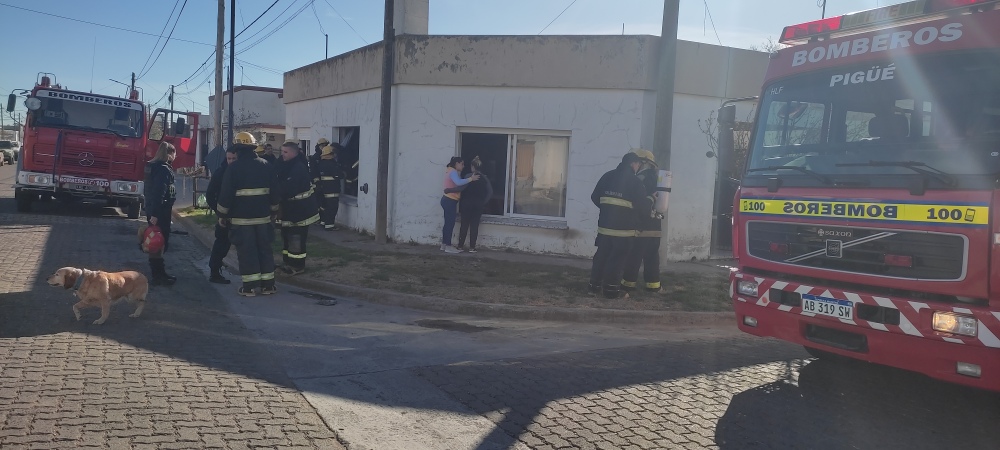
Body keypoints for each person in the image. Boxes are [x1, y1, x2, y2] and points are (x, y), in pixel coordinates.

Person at [217, 132, 281, 296]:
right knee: (264, 250)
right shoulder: (267, 165)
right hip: (263, 218)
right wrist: (274, 211)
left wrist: (222, 216)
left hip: (241, 221)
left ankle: (249, 287)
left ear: (237, 149)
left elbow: (226, 195)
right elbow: (275, 192)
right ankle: (268, 286)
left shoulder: (234, 169)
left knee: (247, 252)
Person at [589, 152, 649, 299]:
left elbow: (594, 197)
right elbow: (643, 208)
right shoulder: (635, 183)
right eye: (638, 164)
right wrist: (651, 200)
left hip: (604, 228)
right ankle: (611, 291)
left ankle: (593, 287)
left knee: (601, 257)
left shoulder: (607, 176)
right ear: (633, 163)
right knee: (617, 260)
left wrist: (608, 210)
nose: (638, 167)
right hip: (624, 231)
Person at [621, 149, 664, 294]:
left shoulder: (639, 179)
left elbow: (637, 201)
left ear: (644, 163)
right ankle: (653, 286)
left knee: (634, 255)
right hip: (655, 225)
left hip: (641, 224)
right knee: (652, 256)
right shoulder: (658, 178)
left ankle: (628, 285)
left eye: (638, 161)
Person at [276, 142, 321, 275]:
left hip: (300, 211)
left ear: (294, 153)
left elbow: (289, 188)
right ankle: (287, 262)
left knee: (296, 238)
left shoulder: (298, 168)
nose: (282, 155)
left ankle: (297, 266)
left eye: (285, 152)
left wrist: (275, 191)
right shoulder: (285, 165)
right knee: (286, 237)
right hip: (289, 210)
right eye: (281, 151)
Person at [143, 142, 179, 286]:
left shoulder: (153, 167)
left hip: (154, 210)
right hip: (160, 212)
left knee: (155, 242)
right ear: (170, 154)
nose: (175, 157)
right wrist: (156, 214)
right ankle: (158, 275)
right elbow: (159, 192)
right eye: (175, 154)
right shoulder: (163, 170)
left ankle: (159, 273)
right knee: (158, 242)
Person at [205, 147, 237, 284]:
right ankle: (214, 272)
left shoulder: (241, 172)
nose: (231, 161)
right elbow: (210, 195)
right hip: (225, 216)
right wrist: (219, 212)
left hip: (239, 215)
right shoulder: (221, 173)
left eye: (234, 159)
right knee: (221, 244)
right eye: (229, 158)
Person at [441, 157, 479, 253]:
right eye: (462, 164)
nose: (463, 166)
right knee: (450, 224)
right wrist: (471, 179)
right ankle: (448, 246)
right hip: (450, 200)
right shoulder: (453, 171)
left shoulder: (449, 170)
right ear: (456, 164)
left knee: (447, 223)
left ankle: (444, 244)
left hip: (447, 199)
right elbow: (458, 182)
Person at [456, 156, 493, 253]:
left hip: (466, 204)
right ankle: (472, 247)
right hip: (478, 205)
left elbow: (461, 188)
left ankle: (460, 246)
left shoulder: (468, 176)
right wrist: (483, 202)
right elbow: (490, 192)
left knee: (464, 224)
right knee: (474, 225)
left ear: (472, 166)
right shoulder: (485, 179)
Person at [315, 144, 346, 230]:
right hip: (332, 189)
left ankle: (324, 222)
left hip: (324, 189)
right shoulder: (332, 164)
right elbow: (338, 175)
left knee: (325, 206)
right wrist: (343, 173)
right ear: (330, 154)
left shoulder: (321, 163)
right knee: (332, 207)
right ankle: (329, 226)